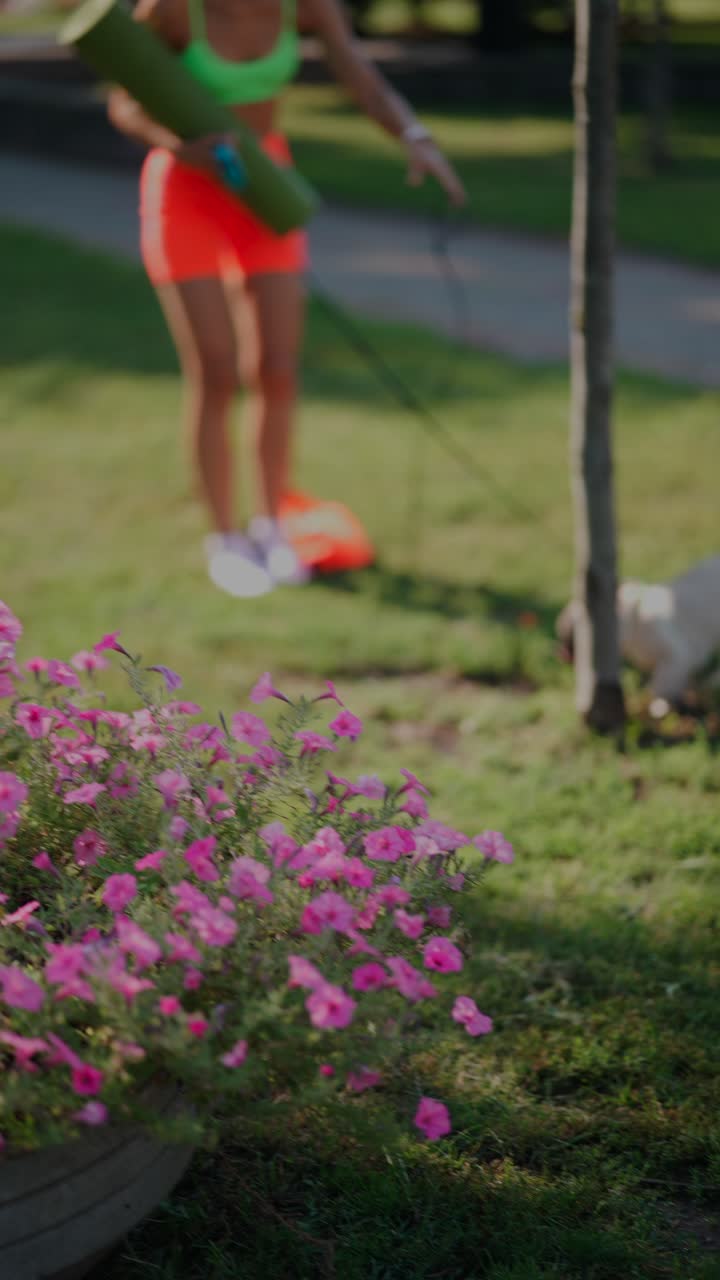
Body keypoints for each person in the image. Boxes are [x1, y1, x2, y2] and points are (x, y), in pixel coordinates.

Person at [108, 0, 466, 598]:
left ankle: (272, 527)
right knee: (217, 371)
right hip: (187, 189)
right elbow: (124, 103)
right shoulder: (173, 9)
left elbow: (361, 76)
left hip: (264, 183)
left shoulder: (308, 6)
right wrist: (177, 143)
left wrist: (413, 134)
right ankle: (225, 540)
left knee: (276, 369)